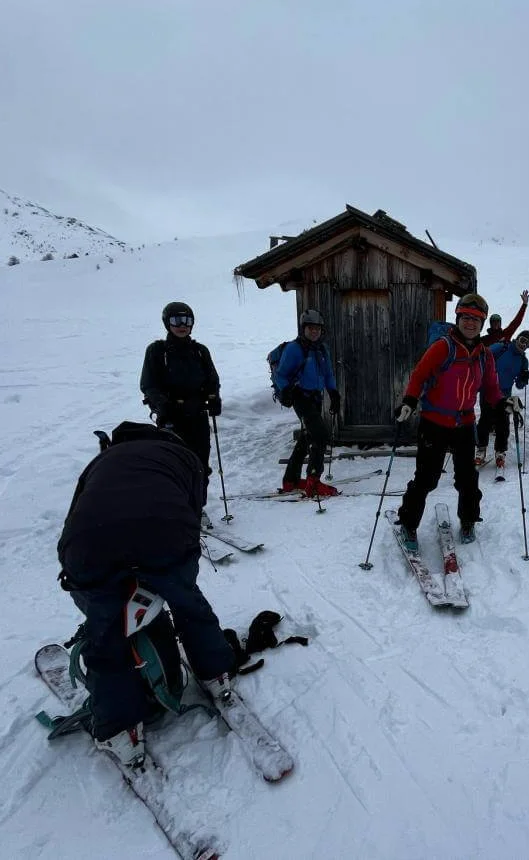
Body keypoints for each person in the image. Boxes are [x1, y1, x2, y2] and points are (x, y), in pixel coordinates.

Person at [56, 421, 237, 769]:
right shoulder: (183, 455)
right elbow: (193, 506)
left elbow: (76, 512)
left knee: (105, 631)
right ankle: (217, 671)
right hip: (165, 532)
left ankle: (119, 728)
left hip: (88, 544)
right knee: (187, 602)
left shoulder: (101, 461)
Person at [394, 293, 516, 546]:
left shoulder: (485, 355)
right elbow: (419, 375)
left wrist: (504, 402)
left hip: (465, 424)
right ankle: (408, 523)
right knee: (426, 478)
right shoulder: (442, 347)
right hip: (434, 422)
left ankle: (469, 519)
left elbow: (492, 389)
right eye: (466, 318)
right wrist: (409, 402)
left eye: (476, 319)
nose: (470, 323)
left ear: (482, 324)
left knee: (467, 478)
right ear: (458, 318)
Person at [139, 301, 221, 514]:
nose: (182, 325)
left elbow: (212, 379)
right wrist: (162, 405)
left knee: (201, 463)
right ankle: (175, 506)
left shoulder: (200, 352)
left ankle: (197, 507)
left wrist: (213, 398)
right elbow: (148, 384)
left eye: (186, 320)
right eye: (176, 320)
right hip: (172, 417)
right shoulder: (157, 351)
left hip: (197, 414)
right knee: (174, 462)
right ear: (167, 323)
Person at [274, 309, 341, 498]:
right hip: (300, 397)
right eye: (310, 328)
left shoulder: (322, 349)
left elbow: (328, 374)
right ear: (303, 329)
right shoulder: (295, 349)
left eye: (318, 328)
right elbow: (281, 374)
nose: (314, 332)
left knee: (306, 437)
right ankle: (313, 480)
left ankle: (290, 480)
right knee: (320, 435)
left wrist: (334, 393)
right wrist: (286, 390)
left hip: (316, 398)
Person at [476, 330, 529, 470]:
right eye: (522, 339)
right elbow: (482, 356)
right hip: (487, 389)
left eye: (527, 343)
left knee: (503, 423)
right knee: (485, 420)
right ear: (517, 338)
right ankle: (481, 450)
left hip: (505, 394)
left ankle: (500, 451)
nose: (523, 344)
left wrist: (524, 377)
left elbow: (519, 385)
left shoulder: (523, 361)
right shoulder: (502, 347)